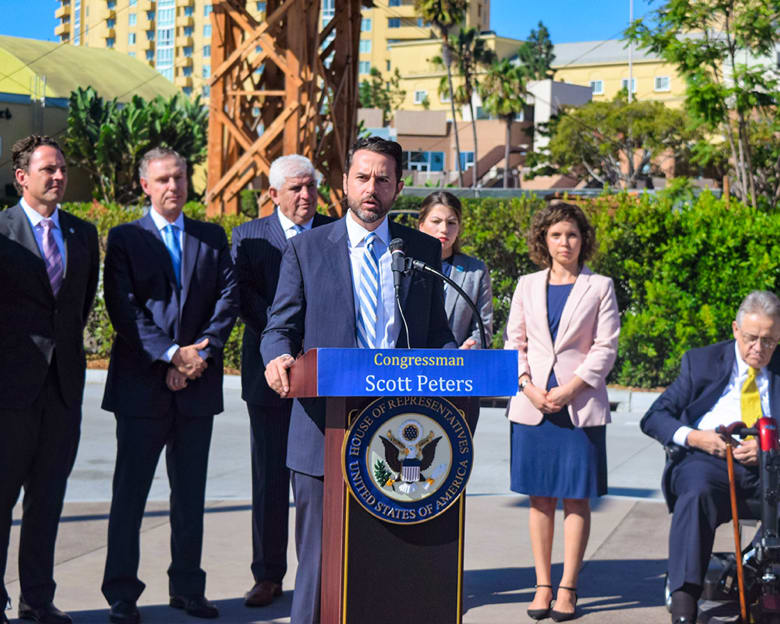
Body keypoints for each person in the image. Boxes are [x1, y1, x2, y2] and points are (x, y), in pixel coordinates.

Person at [262, 136, 456, 624]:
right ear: (345, 183)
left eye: (383, 179)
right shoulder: (307, 249)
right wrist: (277, 359)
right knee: (318, 567)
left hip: (401, 431)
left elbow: (438, 335)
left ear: (399, 187)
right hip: (321, 433)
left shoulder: (420, 249)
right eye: (363, 177)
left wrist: (461, 363)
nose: (372, 188)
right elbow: (279, 327)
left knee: (390, 566)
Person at [100, 147, 238, 624]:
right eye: (162, 180)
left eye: (179, 177)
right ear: (145, 186)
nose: (173, 187)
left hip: (197, 387)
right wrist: (169, 355)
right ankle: (122, 594)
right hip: (141, 389)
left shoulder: (211, 236)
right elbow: (123, 308)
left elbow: (228, 299)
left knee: (190, 495)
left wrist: (199, 354)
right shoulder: (125, 239)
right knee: (130, 495)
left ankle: (188, 588)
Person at [505, 201, 620, 622]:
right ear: (544, 240)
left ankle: (568, 587)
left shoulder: (600, 286)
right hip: (533, 406)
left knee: (576, 500)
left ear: (582, 239)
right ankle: (542, 585)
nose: (564, 242)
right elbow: (513, 342)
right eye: (556, 235)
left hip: (579, 406)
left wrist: (569, 389)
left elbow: (606, 348)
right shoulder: (526, 285)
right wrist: (530, 388)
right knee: (539, 501)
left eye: (571, 234)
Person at [0, 136, 99, 624]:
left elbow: (75, 311)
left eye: (62, 168)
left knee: (47, 502)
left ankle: (37, 601)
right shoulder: (1, 231)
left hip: (63, 392)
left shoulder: (83, 235)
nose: (58, 176)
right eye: (48, 169)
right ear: (22, 176)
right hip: (9, 395)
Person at [231, 155, 335, 608]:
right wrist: (284, 348)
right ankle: (268, 575)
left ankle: (327, 571)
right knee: (270, 477)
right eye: (295, 189)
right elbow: (245, 301)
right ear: (273, 194)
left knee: (322, 480)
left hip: (326, 376)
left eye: (311, 187)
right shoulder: (248, 237)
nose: (306, 196)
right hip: (270, 377)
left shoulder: (336, 231)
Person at [641, 290, 780, 624]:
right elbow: (655, 416)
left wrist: (770, 448)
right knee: (695, 492)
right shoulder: (701, 362)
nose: (758, 349)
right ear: (735, 329)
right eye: (750, 339)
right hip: (710, 462)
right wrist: (696, 438)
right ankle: (686, 602)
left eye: (768, 341)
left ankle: (758, 567)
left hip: (770, 464)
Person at [417, 191, 493, 348]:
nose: (444, 229)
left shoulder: (475, 272)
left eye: (451, 223)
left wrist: (467, 350)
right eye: (436, 221)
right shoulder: (404, 266)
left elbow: (483, 328)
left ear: (459, 228)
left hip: (457, 366)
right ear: (421, 225)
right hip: (408, 365)